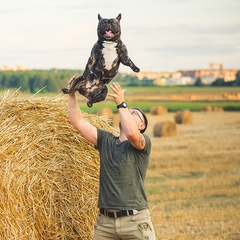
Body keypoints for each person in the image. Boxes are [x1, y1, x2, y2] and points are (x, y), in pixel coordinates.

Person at [67, 75, 156, 240]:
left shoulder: (142, 144)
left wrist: (121, 104)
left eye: (134, 113)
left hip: (135, 221)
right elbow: (77, 121)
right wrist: (71, 94)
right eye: (129, 111)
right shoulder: (106, 141)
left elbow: (131, 133)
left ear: (142, 126)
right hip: (105, 224)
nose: (129, 113)